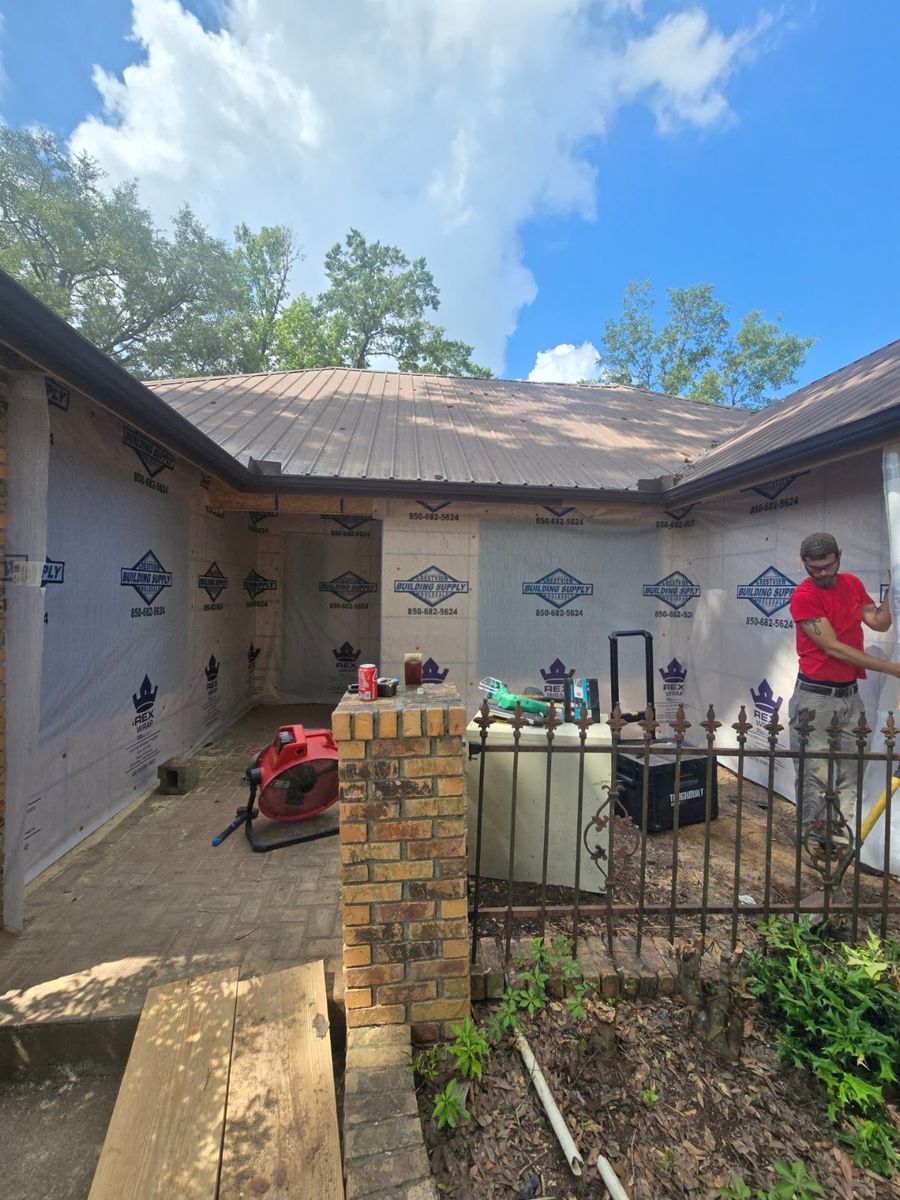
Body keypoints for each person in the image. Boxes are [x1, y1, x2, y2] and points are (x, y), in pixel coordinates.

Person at [788, 531, 898, 850]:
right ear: (803, 563)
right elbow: (834, 648)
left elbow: (879, 622)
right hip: (815, 697)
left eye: (828, 565)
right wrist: (893, 670)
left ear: (840, 556)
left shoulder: (851, 583)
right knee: (814, 775)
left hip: (850, 695)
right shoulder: (804, 595)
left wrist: (894, 587)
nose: (822, 573)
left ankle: (841, 837)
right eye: (814, 568)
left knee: (853, 768)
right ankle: (810, 842)